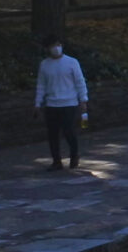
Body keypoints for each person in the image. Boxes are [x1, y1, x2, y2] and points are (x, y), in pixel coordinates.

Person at [33, 35, 89, 169]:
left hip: (69, 103)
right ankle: (56, 160)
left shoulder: (72, 62)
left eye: (58, 44)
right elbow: (41, 85)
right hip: (52, 104)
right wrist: (37, 103)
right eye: (53, 45)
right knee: (52, 134)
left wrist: (83, 100)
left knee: (69, 131)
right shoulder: (45, 65)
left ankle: (74, 155)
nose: (56, 48)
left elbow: (79, 82)